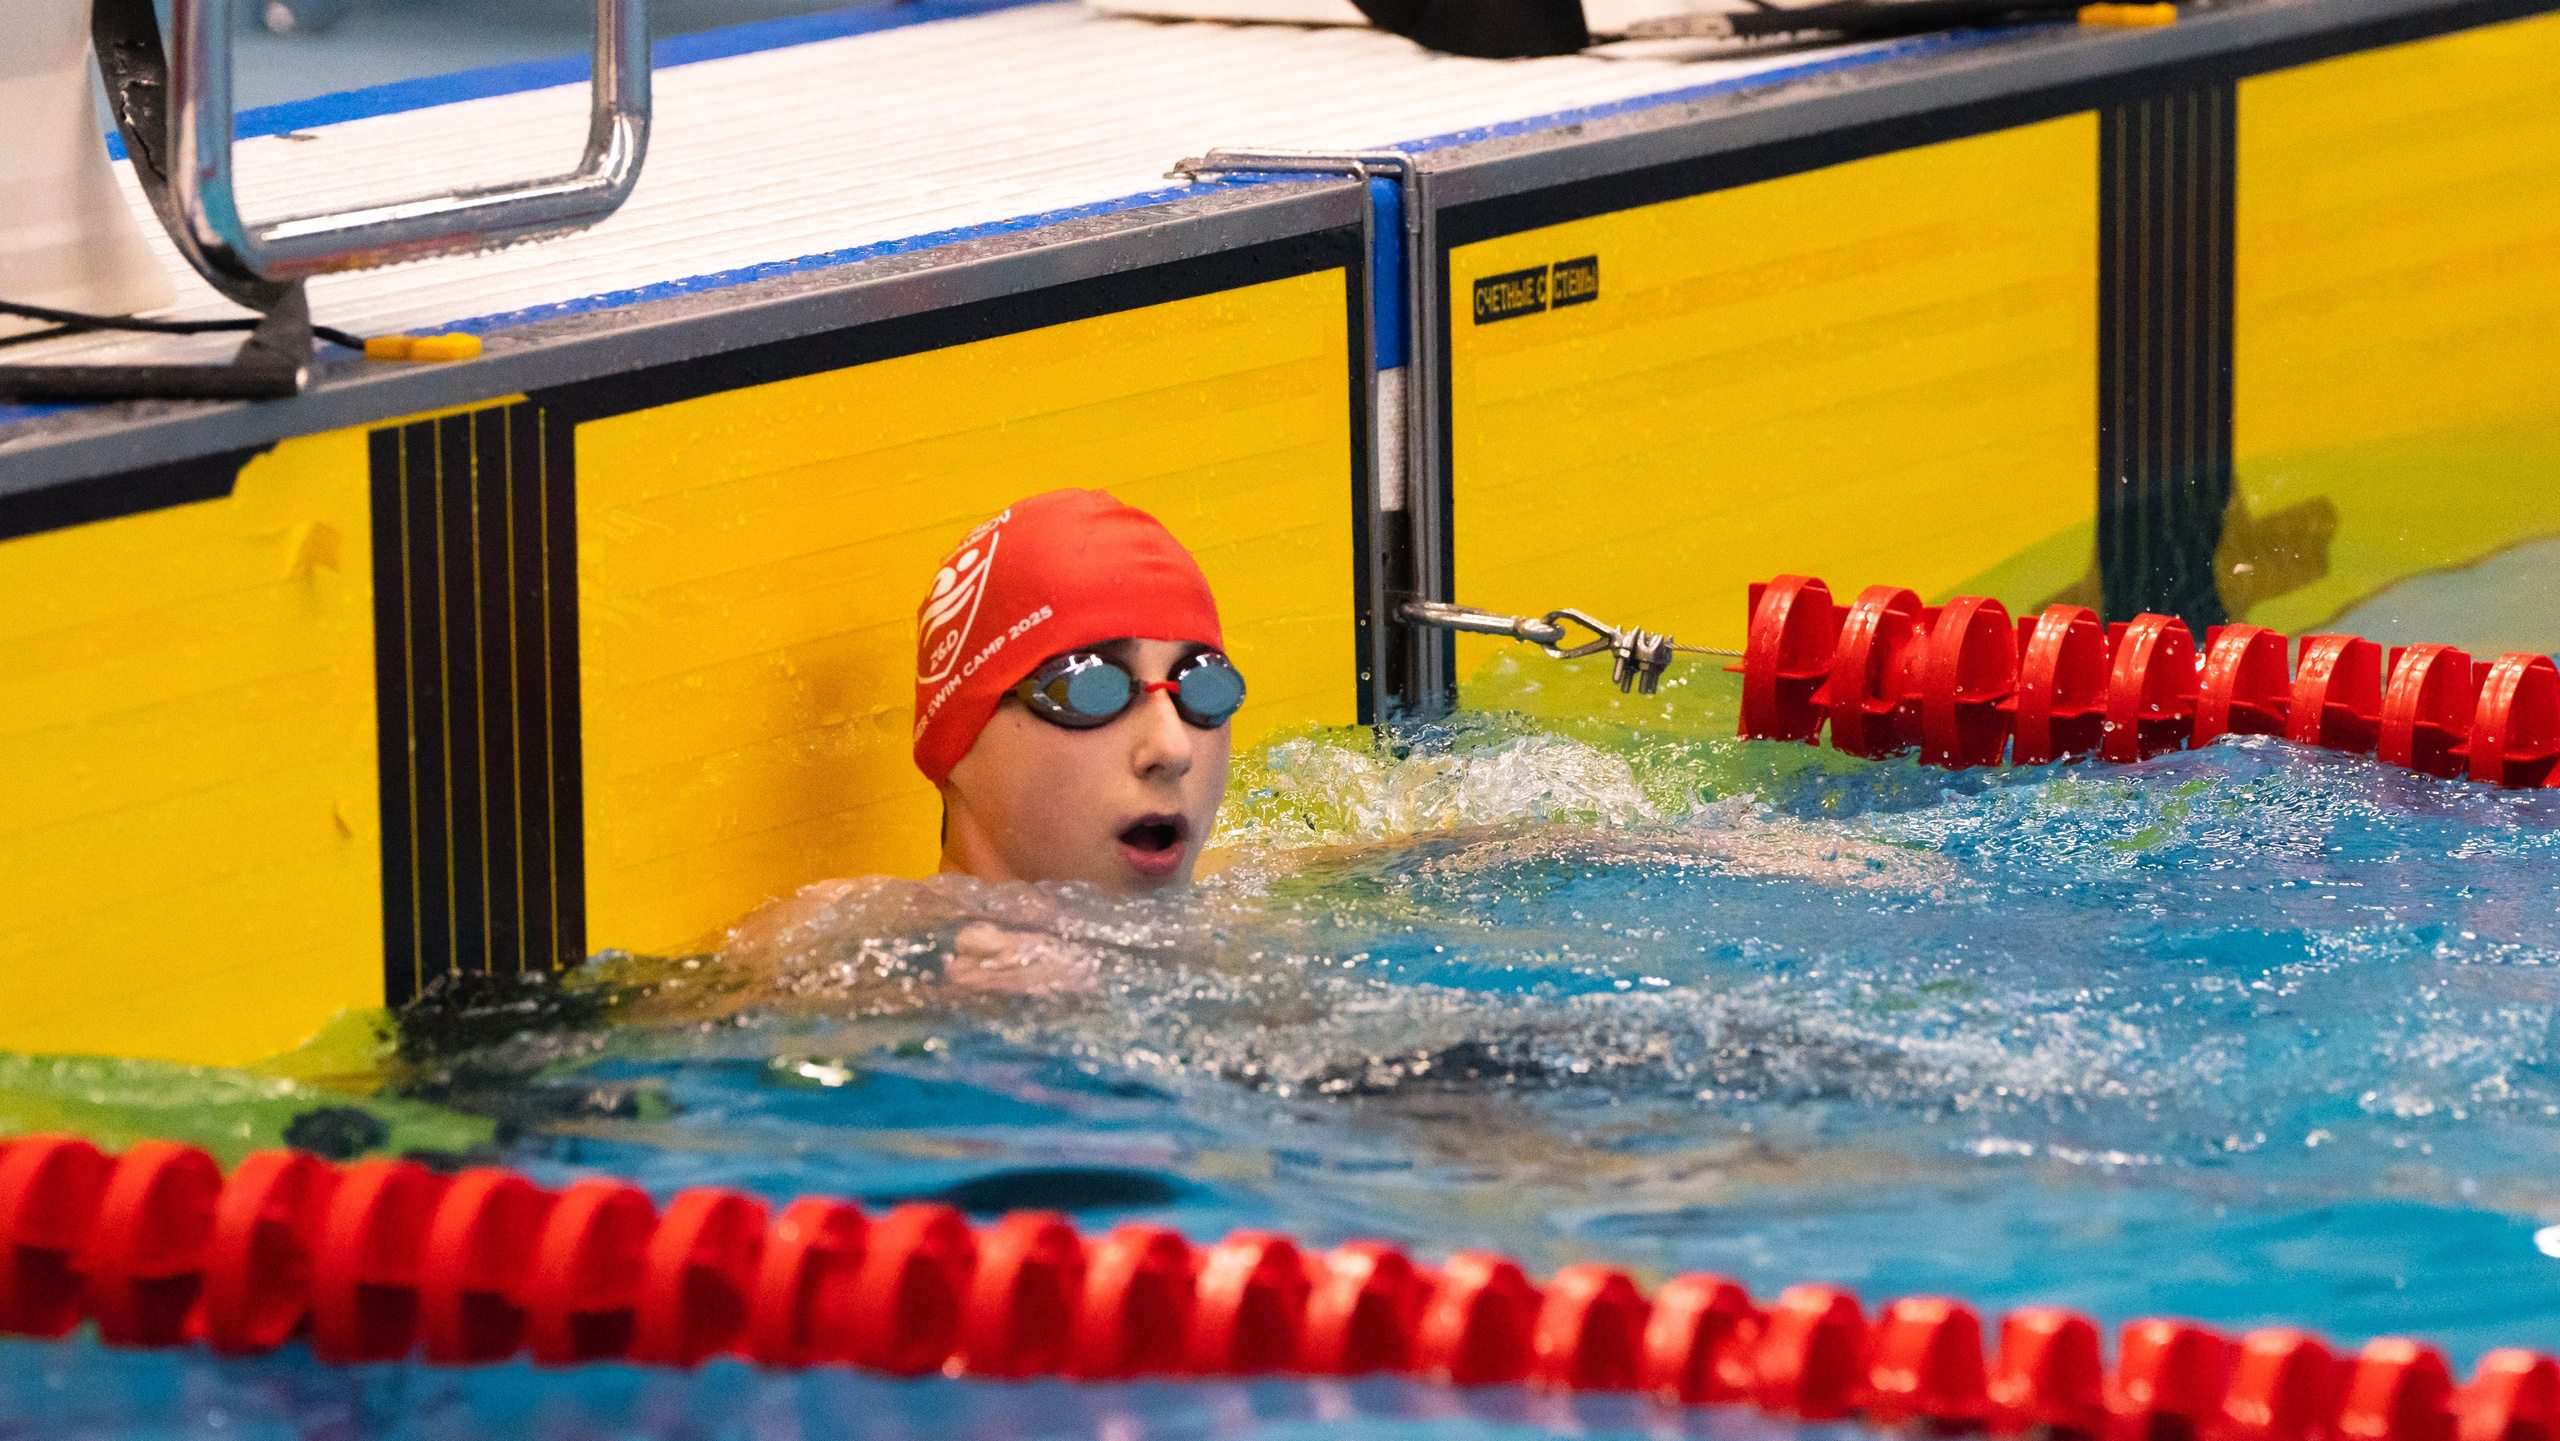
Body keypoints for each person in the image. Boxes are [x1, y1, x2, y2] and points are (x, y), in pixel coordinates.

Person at [913, 488, 1245, 897]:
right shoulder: (863, 951)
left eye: (1204, 687)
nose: (1173, 751)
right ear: (958, 743)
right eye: (1093, 687)